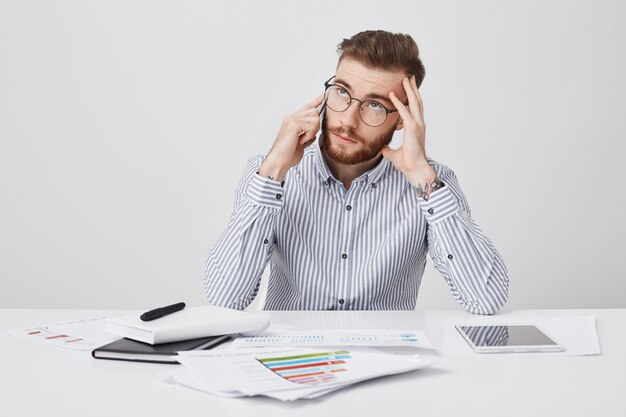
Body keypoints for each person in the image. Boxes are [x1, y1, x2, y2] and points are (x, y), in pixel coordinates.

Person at [204, 30, 509, 314]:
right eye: (341, 92)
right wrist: (273, 168)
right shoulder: (269, 174)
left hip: (389, 364)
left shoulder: (431, 185)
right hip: (292, 359)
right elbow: (225, 299)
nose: (348, 120)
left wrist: (421, 176)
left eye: (374, 106)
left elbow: (486, 300)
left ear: (403, 119)